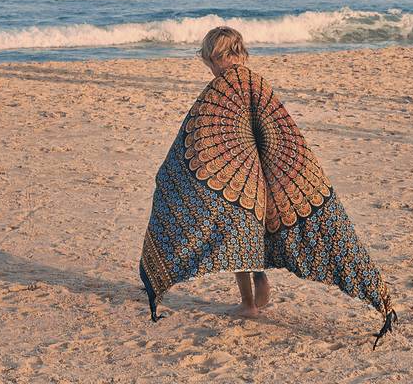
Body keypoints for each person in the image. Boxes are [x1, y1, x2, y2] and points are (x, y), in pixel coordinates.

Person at [139, 26, 397, 348]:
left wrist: (173, 173)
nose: (211, 67)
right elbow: (280, 129)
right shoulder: (256, 81)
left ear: (216, 56)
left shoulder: (220, 86)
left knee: (238, 246)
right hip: (262, 178)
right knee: (252, 245)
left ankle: (248, 305)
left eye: (209, 61)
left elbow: (197, 137)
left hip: (235, 182)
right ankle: (259, 292)